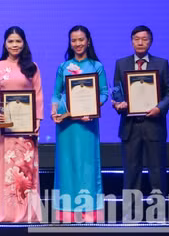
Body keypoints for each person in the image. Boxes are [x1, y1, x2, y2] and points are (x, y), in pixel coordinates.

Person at [51, 25, 108, 222]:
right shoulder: (63, 66)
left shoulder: (97, 66)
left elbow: (104, 93)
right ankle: (66, 212)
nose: (77, 43)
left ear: (88, 41)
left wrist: (92, 109)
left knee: (87, 165)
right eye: (74, 40)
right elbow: (56, 93)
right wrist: (53, 110)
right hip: (66, 124)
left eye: (81, 39)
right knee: (66, 165)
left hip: (87, 123)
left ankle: (88, 211)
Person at [112, 25, 169, 197]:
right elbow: (117, 91)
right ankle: (130, 209)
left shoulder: (161, 64)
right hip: (130, 126)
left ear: (151, 42)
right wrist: (118, 103)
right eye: (136, 39)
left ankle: (159, 209)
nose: (140, 42)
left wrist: (159, 108)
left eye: (144, 39)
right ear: (132, 41)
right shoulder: (121, 64)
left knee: (157, 171)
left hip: (154, 125)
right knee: (131, 171)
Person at [0, 26, 44, 222]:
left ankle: (28, 213)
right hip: (6, 126)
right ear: (5, 44)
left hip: (26, 128)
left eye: (18, 41)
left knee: (25, 170)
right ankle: (6, 213)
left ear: (24, 43)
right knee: (7, 169)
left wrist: (38, 120)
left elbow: (38, 94)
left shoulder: (32, 67)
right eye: (11, 41)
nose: (14, 45)